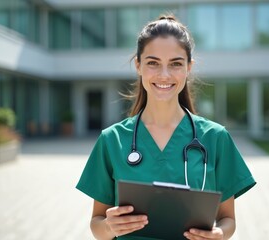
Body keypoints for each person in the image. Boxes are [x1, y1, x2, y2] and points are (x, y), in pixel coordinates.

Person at [76, 15, 256, 240]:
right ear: (138, 65)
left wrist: (220, 234)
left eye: (175, 64)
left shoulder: (215, 137)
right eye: (153, 63)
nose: (164, 75)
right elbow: (97, 223)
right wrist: (110, 228)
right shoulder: (112, 140)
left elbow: (227, 219)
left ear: (189, 68)